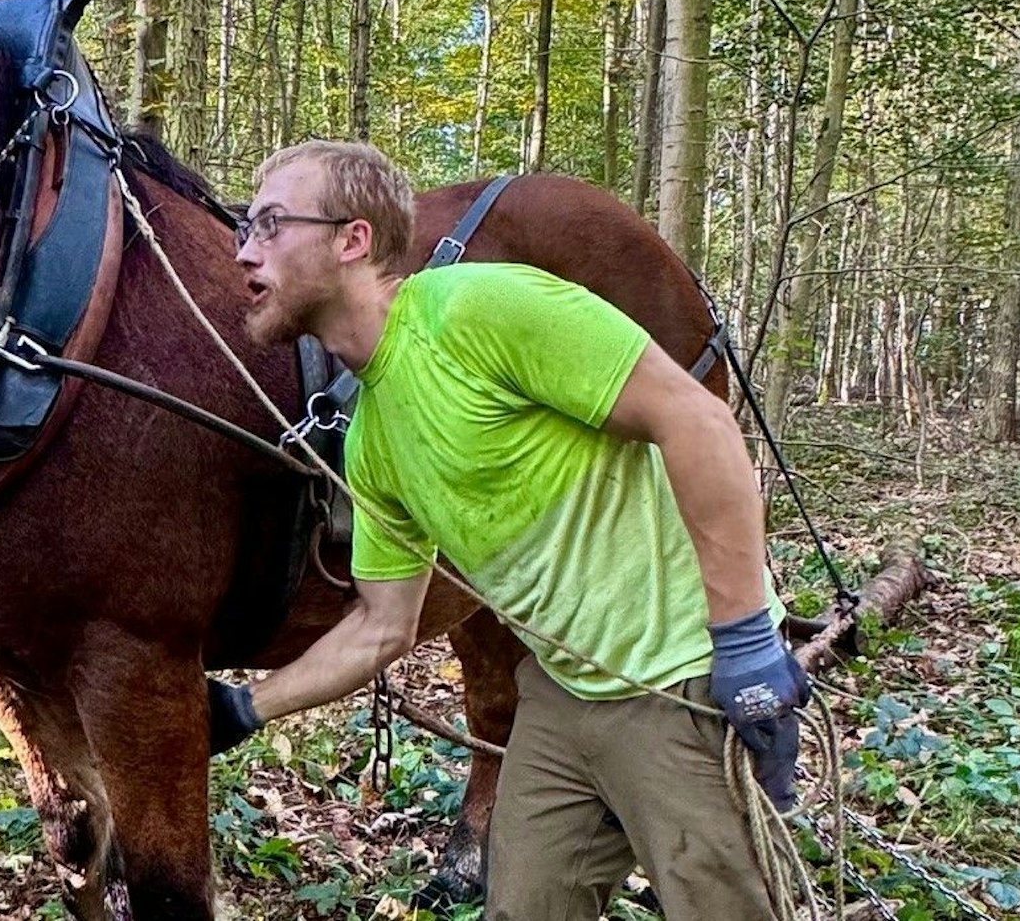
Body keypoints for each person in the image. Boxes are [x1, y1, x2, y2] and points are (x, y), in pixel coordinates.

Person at [210, 140, 807, 920]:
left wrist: (745, 643)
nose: (243, 253)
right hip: (560, 698)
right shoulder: (373, 438)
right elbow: (382, 627)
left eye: (270, 225)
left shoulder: (479, 310)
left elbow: (696, 419)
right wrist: (244, 710)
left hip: (679, 680)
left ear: (353, 240)